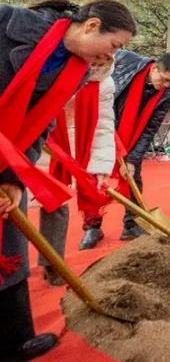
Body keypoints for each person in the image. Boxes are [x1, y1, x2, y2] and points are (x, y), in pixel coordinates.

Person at [0, 0, 135, 361]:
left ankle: (14, 339)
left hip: (8, 154)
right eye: (114, 45)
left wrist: (14, 177)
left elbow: (39, 123)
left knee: (9, 246)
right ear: (91, 26)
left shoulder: (75, 69)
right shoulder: (9, 24)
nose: (113, 55)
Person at [82, 50, 170, 241]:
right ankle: (92, 226)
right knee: (95, 177)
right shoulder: (126, 61)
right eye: (164, 79)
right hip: (104, 126)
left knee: (132, 177)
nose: (166, 85)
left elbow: (150, 128)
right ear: (154, 68)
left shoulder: (168, 93)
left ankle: (132, 223)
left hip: (133, 137)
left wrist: (132, 159)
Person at [41, 61, 116, 257]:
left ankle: (92, 227)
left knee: (90, 184)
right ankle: (47, 258)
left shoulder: (105, 82)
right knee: (48, 194)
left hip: (85, 136)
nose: (103, 58)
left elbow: (104, 123)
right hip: (47, 136)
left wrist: (102, 163)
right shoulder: (54, 68)